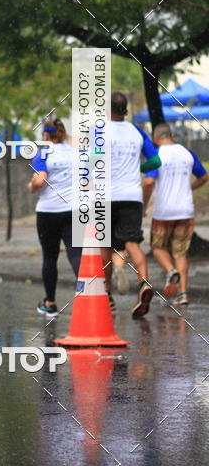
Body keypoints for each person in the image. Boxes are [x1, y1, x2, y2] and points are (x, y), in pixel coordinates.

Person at [102, 91, 161, 319]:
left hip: (105, 196)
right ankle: (144, 284)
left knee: (105, 245)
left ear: (108, 109)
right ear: (125, 110)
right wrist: (138, 168)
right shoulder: (137, 132)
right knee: (132, 242)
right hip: (132, 196)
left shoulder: (98, 131)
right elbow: (155, 161)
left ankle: (107, 294)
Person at [143, 122, 208, 306]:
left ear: (156, 138)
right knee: (181, 253)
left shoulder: (156, 155)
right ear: (171, 135)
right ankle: (183, 294)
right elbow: (204, 176)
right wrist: (189, 187)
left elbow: (148, 182)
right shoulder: (187, 153)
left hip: (164, 212)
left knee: (157, 247)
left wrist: (144, 206)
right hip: (185, 211)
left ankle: (171, 271)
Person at [28, 118, 81, 316]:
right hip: (73, 209)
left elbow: (40, 180)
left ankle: (50, 303)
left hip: (48, 212)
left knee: (50, 257)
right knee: (76, 255)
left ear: (46, 135)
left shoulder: (43, 154)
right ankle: (88, 297)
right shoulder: (75, 153)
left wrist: (31, 185)